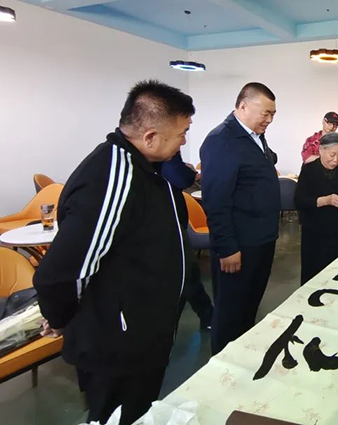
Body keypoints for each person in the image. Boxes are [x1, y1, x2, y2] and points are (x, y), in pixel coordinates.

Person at [33, 80, 195, 425]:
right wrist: (60, 318)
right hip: (118, 344)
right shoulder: (114, 176)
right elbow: (62, 273)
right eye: (181, 134)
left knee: (139, 411)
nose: (184, 141)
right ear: (150, 136)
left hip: (143, 333)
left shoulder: (146, 166)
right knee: (116, 415)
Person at [200, 82, 281, 355]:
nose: (269, 120)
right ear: (243, 106)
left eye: (273, 114)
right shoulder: (221, 140)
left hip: (261, 238)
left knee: (248, 307)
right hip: (239, 245)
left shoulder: (254, 135)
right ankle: (223, 366)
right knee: (230, 312)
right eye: (265, 113)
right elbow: (216, 200)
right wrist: (226, 247)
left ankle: (242, 358)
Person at [295, 133, 338, 283]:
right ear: (321, 150)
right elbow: (299, 200)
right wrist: (325, 200)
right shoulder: (309, 170)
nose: (336, 160)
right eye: (332, 154)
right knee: (313, 277)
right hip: (314, 234)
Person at [161, 151, 214, 331]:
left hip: (172, 225)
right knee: (187, 274)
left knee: (186, 275)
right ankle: (207, 316)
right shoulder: (166, 153)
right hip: (169, 227)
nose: (183, 141)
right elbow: (181, 177)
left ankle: (207, 316)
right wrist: (189, 172)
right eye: (180, 136)